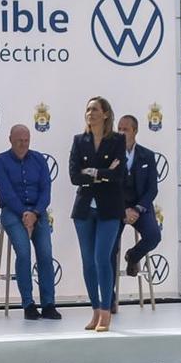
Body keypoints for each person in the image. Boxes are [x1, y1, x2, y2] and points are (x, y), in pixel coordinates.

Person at [0, 123, 61, 321]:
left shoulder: (39, 159)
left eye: (26, 140)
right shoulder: (0, 162)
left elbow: (46, 190)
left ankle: (48, 304)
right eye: (19, 140)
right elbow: (6, 192)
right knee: (23, 252)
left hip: (38, 212)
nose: (23, 144)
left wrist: (36, 213)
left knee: (46, 254)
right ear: (10, 140)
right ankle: (28, 304)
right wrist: (24, 213)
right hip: (13, 212)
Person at [68, 95, 126, 332]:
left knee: (103, 258)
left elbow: (118, 174)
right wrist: (102, 172)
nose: (90, 113)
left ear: (105, 114)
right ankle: (94, 311)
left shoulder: (117, 141)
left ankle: (106, 311)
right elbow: (74, 176)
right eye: (88, 109)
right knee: (88, 262)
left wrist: (91, 172)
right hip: (84, 209)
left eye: (95, 109)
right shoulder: (79, 140)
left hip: (109, 208)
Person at [117, 113, 162, 281]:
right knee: (110, 247)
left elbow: (152, 189)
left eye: (125, 129)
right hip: (117, 208)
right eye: (119, 129)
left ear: (135, 131)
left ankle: (133, 256)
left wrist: (137, 209)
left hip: (141, 208)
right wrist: (123, 210)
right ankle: (109, 298)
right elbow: (108, 188)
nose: (121, 133)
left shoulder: (147, 155)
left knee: (154, 236)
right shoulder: (110, 155)